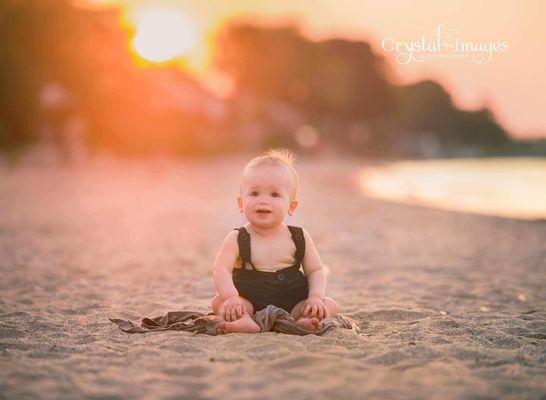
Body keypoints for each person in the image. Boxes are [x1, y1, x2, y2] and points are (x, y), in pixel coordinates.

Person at [210, 149, 339, 334]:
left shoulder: (299, 237)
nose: (263, 201)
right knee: (218, 302)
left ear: (291, 206)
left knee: (330, 304)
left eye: (275, 195)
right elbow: (221, 269)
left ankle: (303, 320)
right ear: (240, 203)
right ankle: (246, 322)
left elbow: (315, 270)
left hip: (293, 300)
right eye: (254, 193)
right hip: (250, 302)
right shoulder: (237, 238)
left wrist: (316, 297)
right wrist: (231, 297)